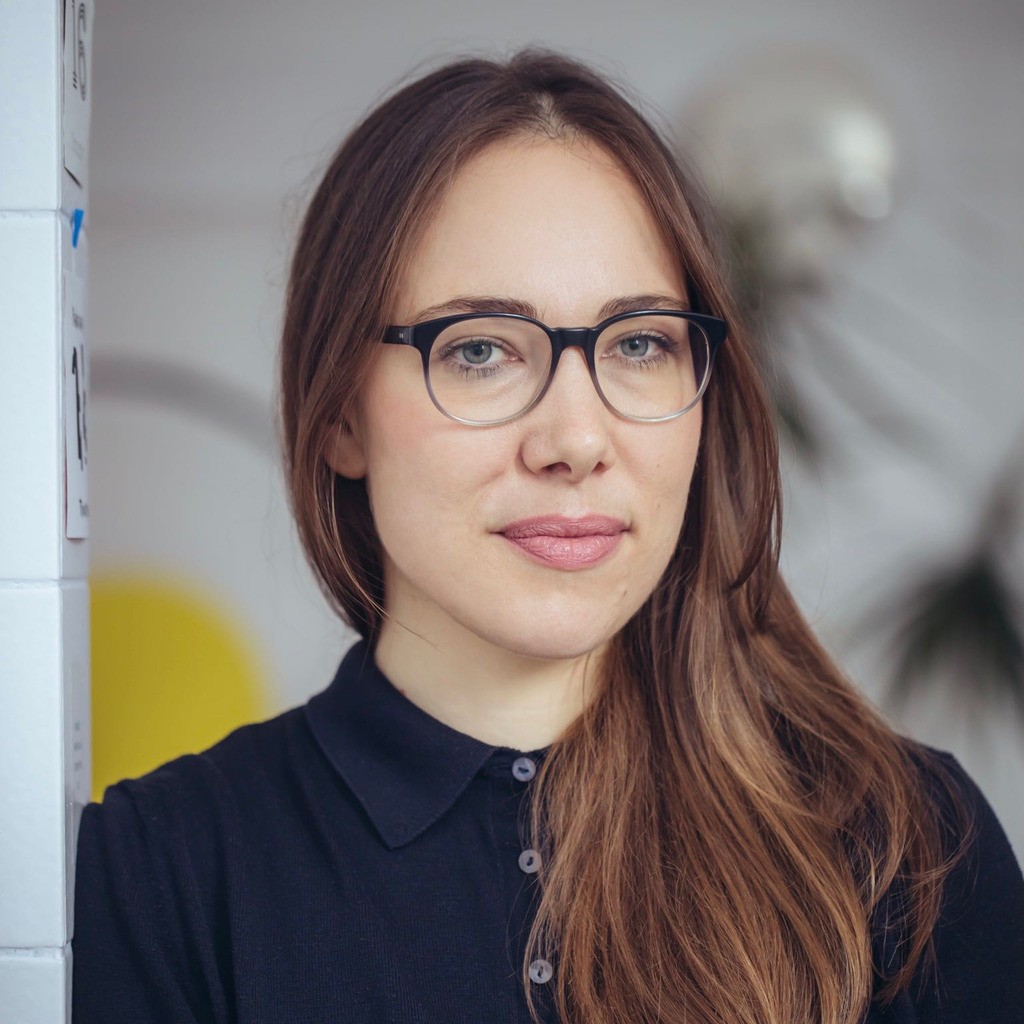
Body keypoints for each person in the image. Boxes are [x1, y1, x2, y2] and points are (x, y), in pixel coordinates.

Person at [71, 47, 1024, 1024]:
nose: (575, 440)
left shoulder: (909, 849)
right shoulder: (155, 878)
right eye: (481, 349)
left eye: (640, 343)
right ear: (341, 414)